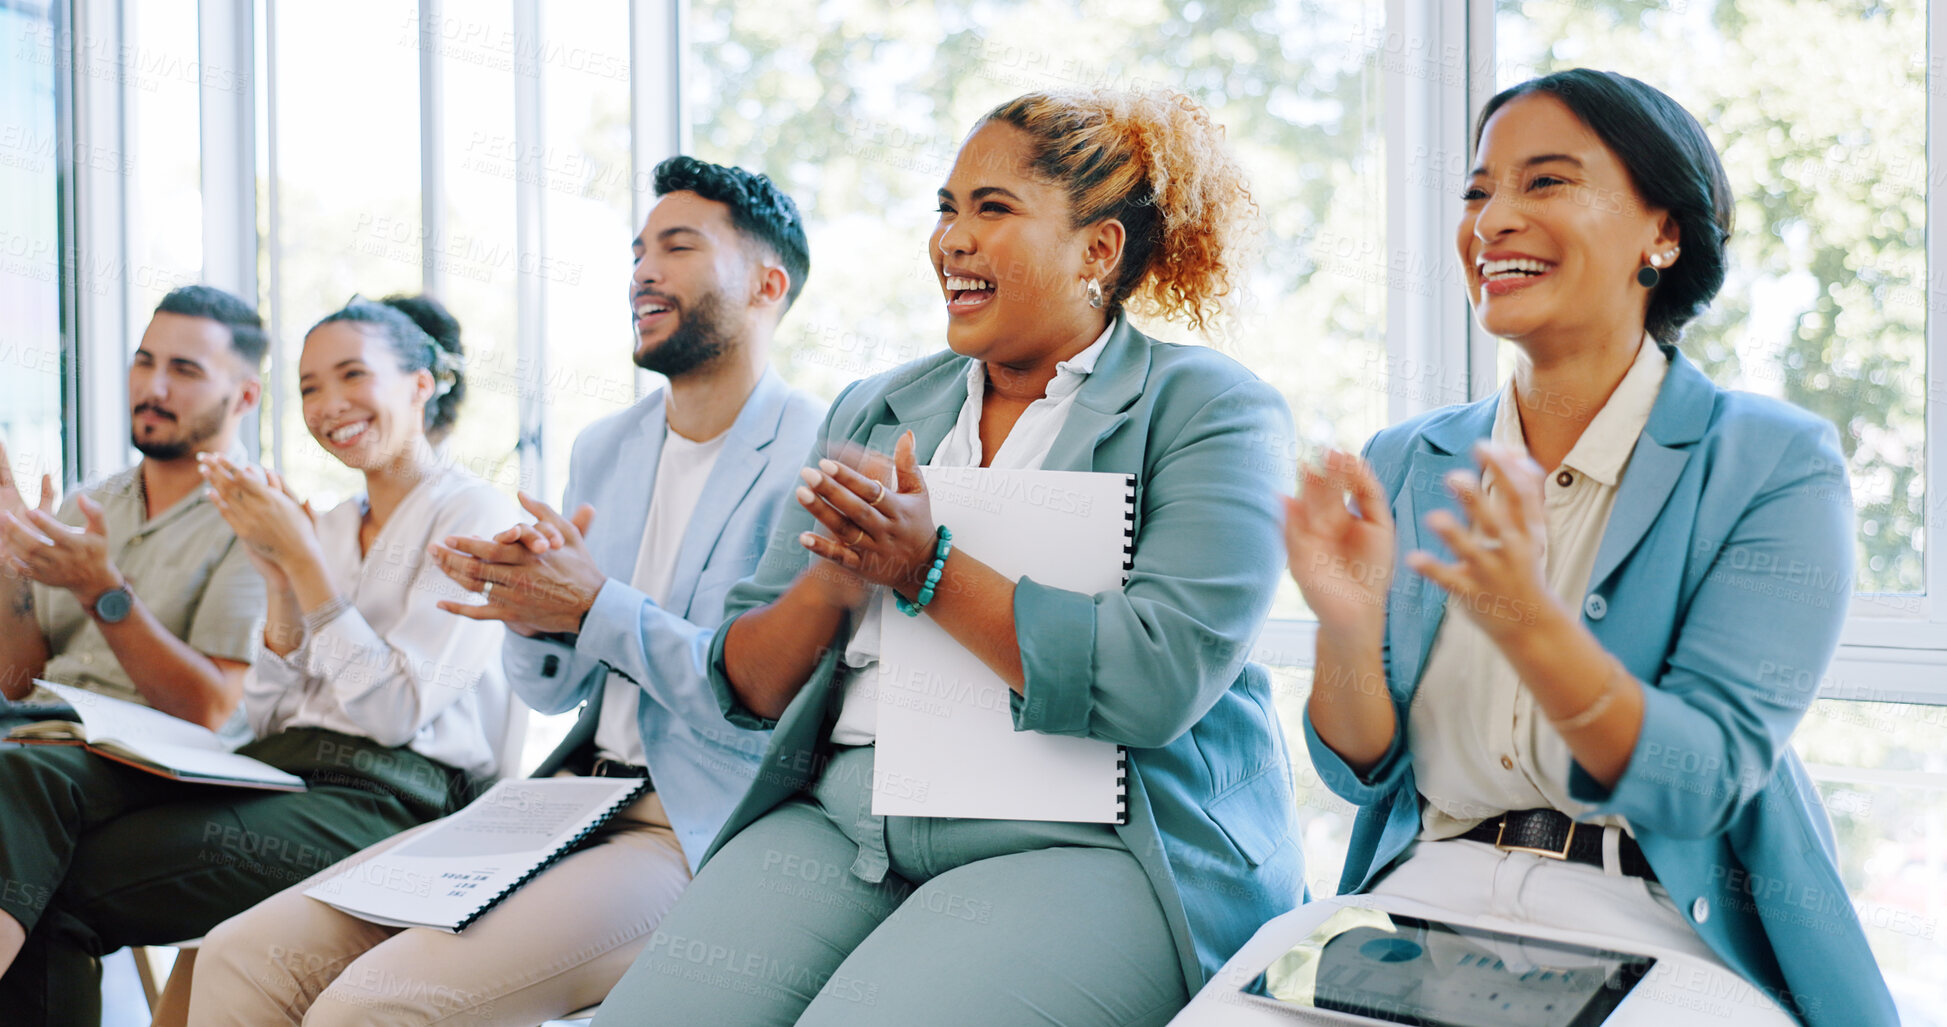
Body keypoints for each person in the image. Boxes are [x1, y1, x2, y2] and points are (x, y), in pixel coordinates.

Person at [594, 88, 1300, 1027]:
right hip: (849, 821)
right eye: (946, 207)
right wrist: (838, 577)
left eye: (992, 209)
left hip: (1089, 843)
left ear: (1097, 251)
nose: (950, 240)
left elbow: (1155, 680)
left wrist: (927, 568)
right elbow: (754, 686)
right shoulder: (874, 409)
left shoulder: (1211, 410)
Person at [1285, 69, 1895, 1026]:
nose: (1491, 221)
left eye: (1547, 182)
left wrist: (1530, 622)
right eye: (1478, 191)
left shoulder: (1770, 462)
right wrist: (1345, 624)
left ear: (1662, 232)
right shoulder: (1409, 459)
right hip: (1421, 905)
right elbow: (1359, 765)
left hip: (1652, 918)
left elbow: (1698, 782)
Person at [185, 157, 825, 1026]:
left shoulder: (814, 450)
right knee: (240, 956)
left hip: (695, 819)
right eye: (637, 250)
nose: (641, 270)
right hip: (568, 796)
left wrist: (592, 604)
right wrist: (530, 608)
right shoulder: (608, 445)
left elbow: (751, 697)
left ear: (766, 282)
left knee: (371, 1005)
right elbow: (552, 687)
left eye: (676, 246)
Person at [0, 294, 517, 1025]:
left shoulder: (476, 513)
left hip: (399, 798)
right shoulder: (334, 525)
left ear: (420, 384)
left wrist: (300, 562)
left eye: (350, 375)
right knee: (30, 868)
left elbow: (395, 711)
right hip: (286, 772)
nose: (328, 403)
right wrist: (281, 581)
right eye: (309, 386)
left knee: (48, 885)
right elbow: (267, 709)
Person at [0, 285, 268, 729]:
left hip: (139, 760)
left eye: (184, 371)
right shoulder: (87, 504)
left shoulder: (257, 523)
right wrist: (7, 567)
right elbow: (17, 684)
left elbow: (212, 711)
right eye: (144, 362)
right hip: (36, 735)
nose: (153, 387)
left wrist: (103, 593)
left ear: (245, 398)